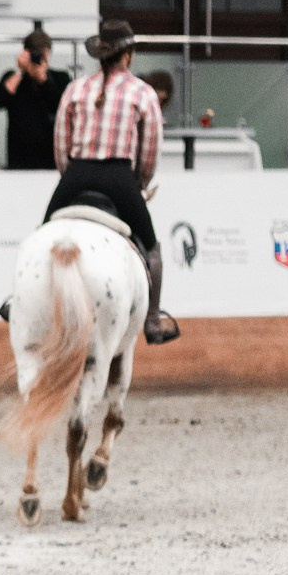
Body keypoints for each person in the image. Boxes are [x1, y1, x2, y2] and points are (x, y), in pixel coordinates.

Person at [43, 20, 179, 345]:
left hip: (77, 175)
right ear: (128, 55)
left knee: (43, 232)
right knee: (152, 248)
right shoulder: (143, 93)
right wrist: (139, 184)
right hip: (119, 177)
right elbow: (150, 152)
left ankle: (18, 300)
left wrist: (72, 176)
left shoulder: (75, 89)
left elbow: (61, 146)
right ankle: (153, 321)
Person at [0, 25, 72, 170]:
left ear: (48, 53)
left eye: (41, 54)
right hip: (19, 161)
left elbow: (63, 107)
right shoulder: (13, 78)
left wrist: (44, 80)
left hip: (51, 160)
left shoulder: (61, 78)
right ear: (25, 53)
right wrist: (20, 71)